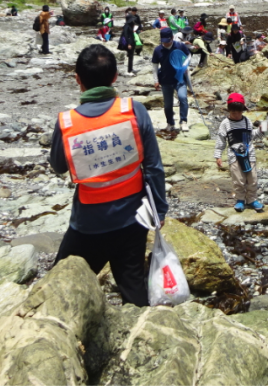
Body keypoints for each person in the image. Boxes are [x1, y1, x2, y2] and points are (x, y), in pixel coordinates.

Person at [49, 44, 167, 306]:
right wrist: (159, 210)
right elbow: (154, 168)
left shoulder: (67, 122)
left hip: (87, 224)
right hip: (133, 219)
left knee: (61, 285)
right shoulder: (134, 110)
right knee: (133, 287)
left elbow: (57, 166)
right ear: (115, 77)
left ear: (78, 80)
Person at [214, 93, 266, 212]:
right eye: (233, 113)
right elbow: (221, 140)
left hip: (249, 154)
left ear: (243, 110)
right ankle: (240, 200)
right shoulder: (225, 123)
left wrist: (262, 130)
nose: (236, 115)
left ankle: (252, 199)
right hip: (234, 156)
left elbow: (251, 135)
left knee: (252, 178)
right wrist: (218, 156)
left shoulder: (247, 121)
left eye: (239, 112)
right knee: (238, 179)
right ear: (229, 111)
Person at [152, 27, 190, 132]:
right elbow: (155, 66)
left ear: (172, 38)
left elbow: (188, 56)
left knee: (183, 98)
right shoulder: (158, 50)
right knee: (168, 104)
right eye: (163, 42)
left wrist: (185, 67)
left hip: (179, 79)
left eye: (167, 41)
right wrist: (156, 80)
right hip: (165, 80)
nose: (165, 44)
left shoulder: (180, 46)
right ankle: (170, 123)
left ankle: (183, 121)